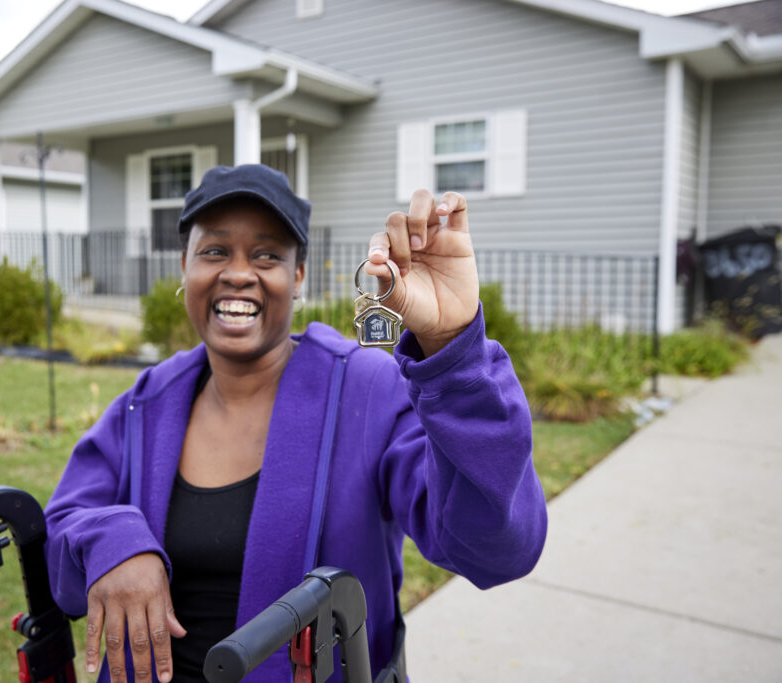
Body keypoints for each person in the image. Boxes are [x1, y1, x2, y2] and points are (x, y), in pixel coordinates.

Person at [44, 164, 547, 683]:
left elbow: (498, 549)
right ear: (184, 268)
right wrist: (113, 540)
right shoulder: (148, 401)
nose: (238, 273)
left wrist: (451, 347)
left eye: (266, 255)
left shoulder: (368, 392)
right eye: (215, 251)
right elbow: (63, 526)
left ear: (298, 277)